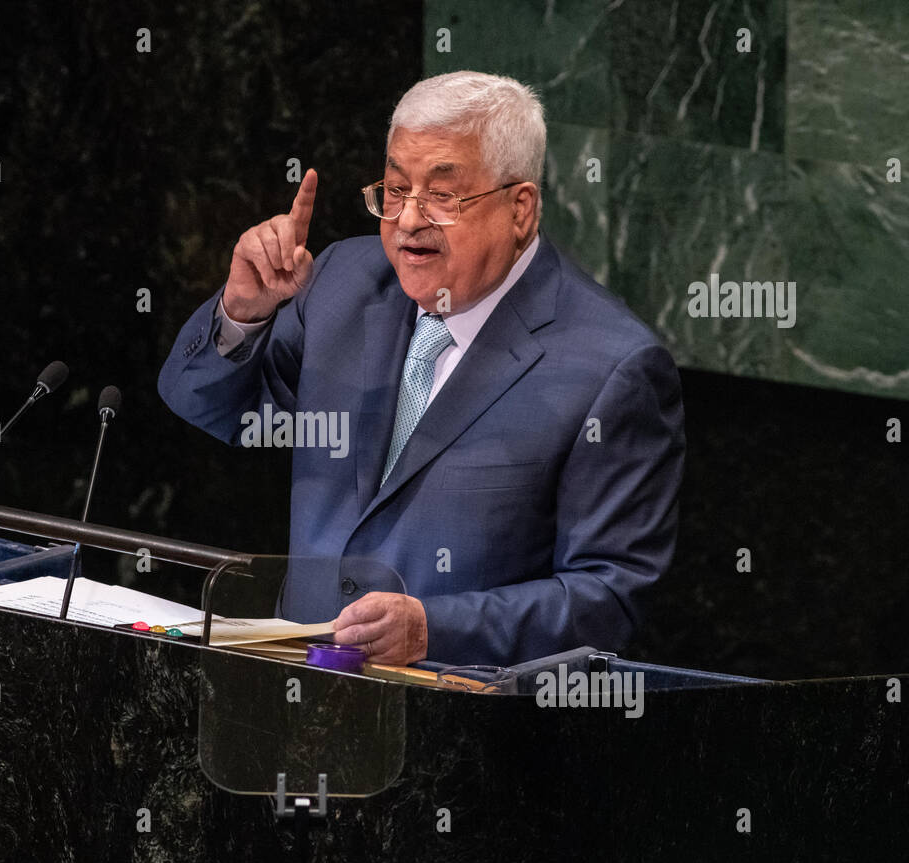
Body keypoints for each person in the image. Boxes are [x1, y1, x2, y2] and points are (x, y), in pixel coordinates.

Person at [159, 71, 684, 667]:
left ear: (520, 209)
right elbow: (204, 406)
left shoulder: (611, 367)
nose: (408, 219)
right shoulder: (340, 284)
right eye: (395, 188)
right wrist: (242, 312)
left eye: (442, 195)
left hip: (460, 727)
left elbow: (612, 595)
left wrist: (436, 629)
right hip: (294, 698)